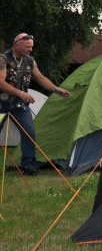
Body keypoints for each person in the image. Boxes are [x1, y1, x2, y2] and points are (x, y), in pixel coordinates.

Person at [0, 33, 70, 175]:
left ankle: (28, 166)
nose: (30, 49)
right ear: (17, 44)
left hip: (20, 105)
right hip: (2, 104)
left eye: (31, 47)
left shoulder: (30, 61)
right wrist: (21, 93)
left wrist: (57, 90)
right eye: (27, 47)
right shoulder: (3, 59)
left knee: (29, 133)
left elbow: (41, 78)